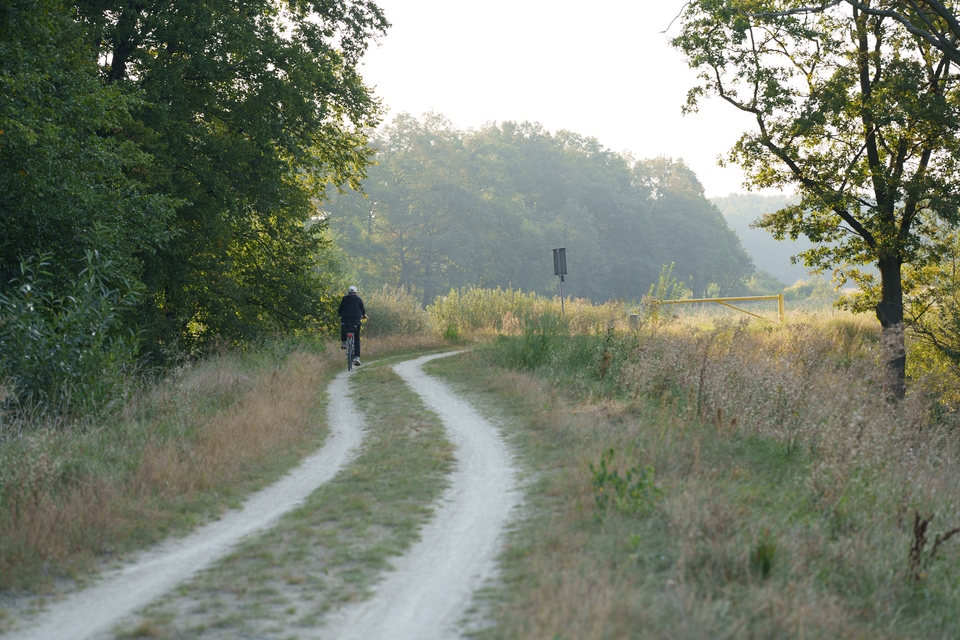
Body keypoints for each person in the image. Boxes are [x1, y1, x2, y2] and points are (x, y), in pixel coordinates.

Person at [337, 285, 367, 366]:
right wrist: (364, 315)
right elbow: (362, 309)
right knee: (356, 338)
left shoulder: (344, 299)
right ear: (356, 292)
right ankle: (357, 357)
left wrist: (339, 314)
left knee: (344, 326)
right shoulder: (358, 299)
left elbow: (340, 309)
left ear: (348, 292)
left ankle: (343, 342)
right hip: (356, 320)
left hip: (346, 318)